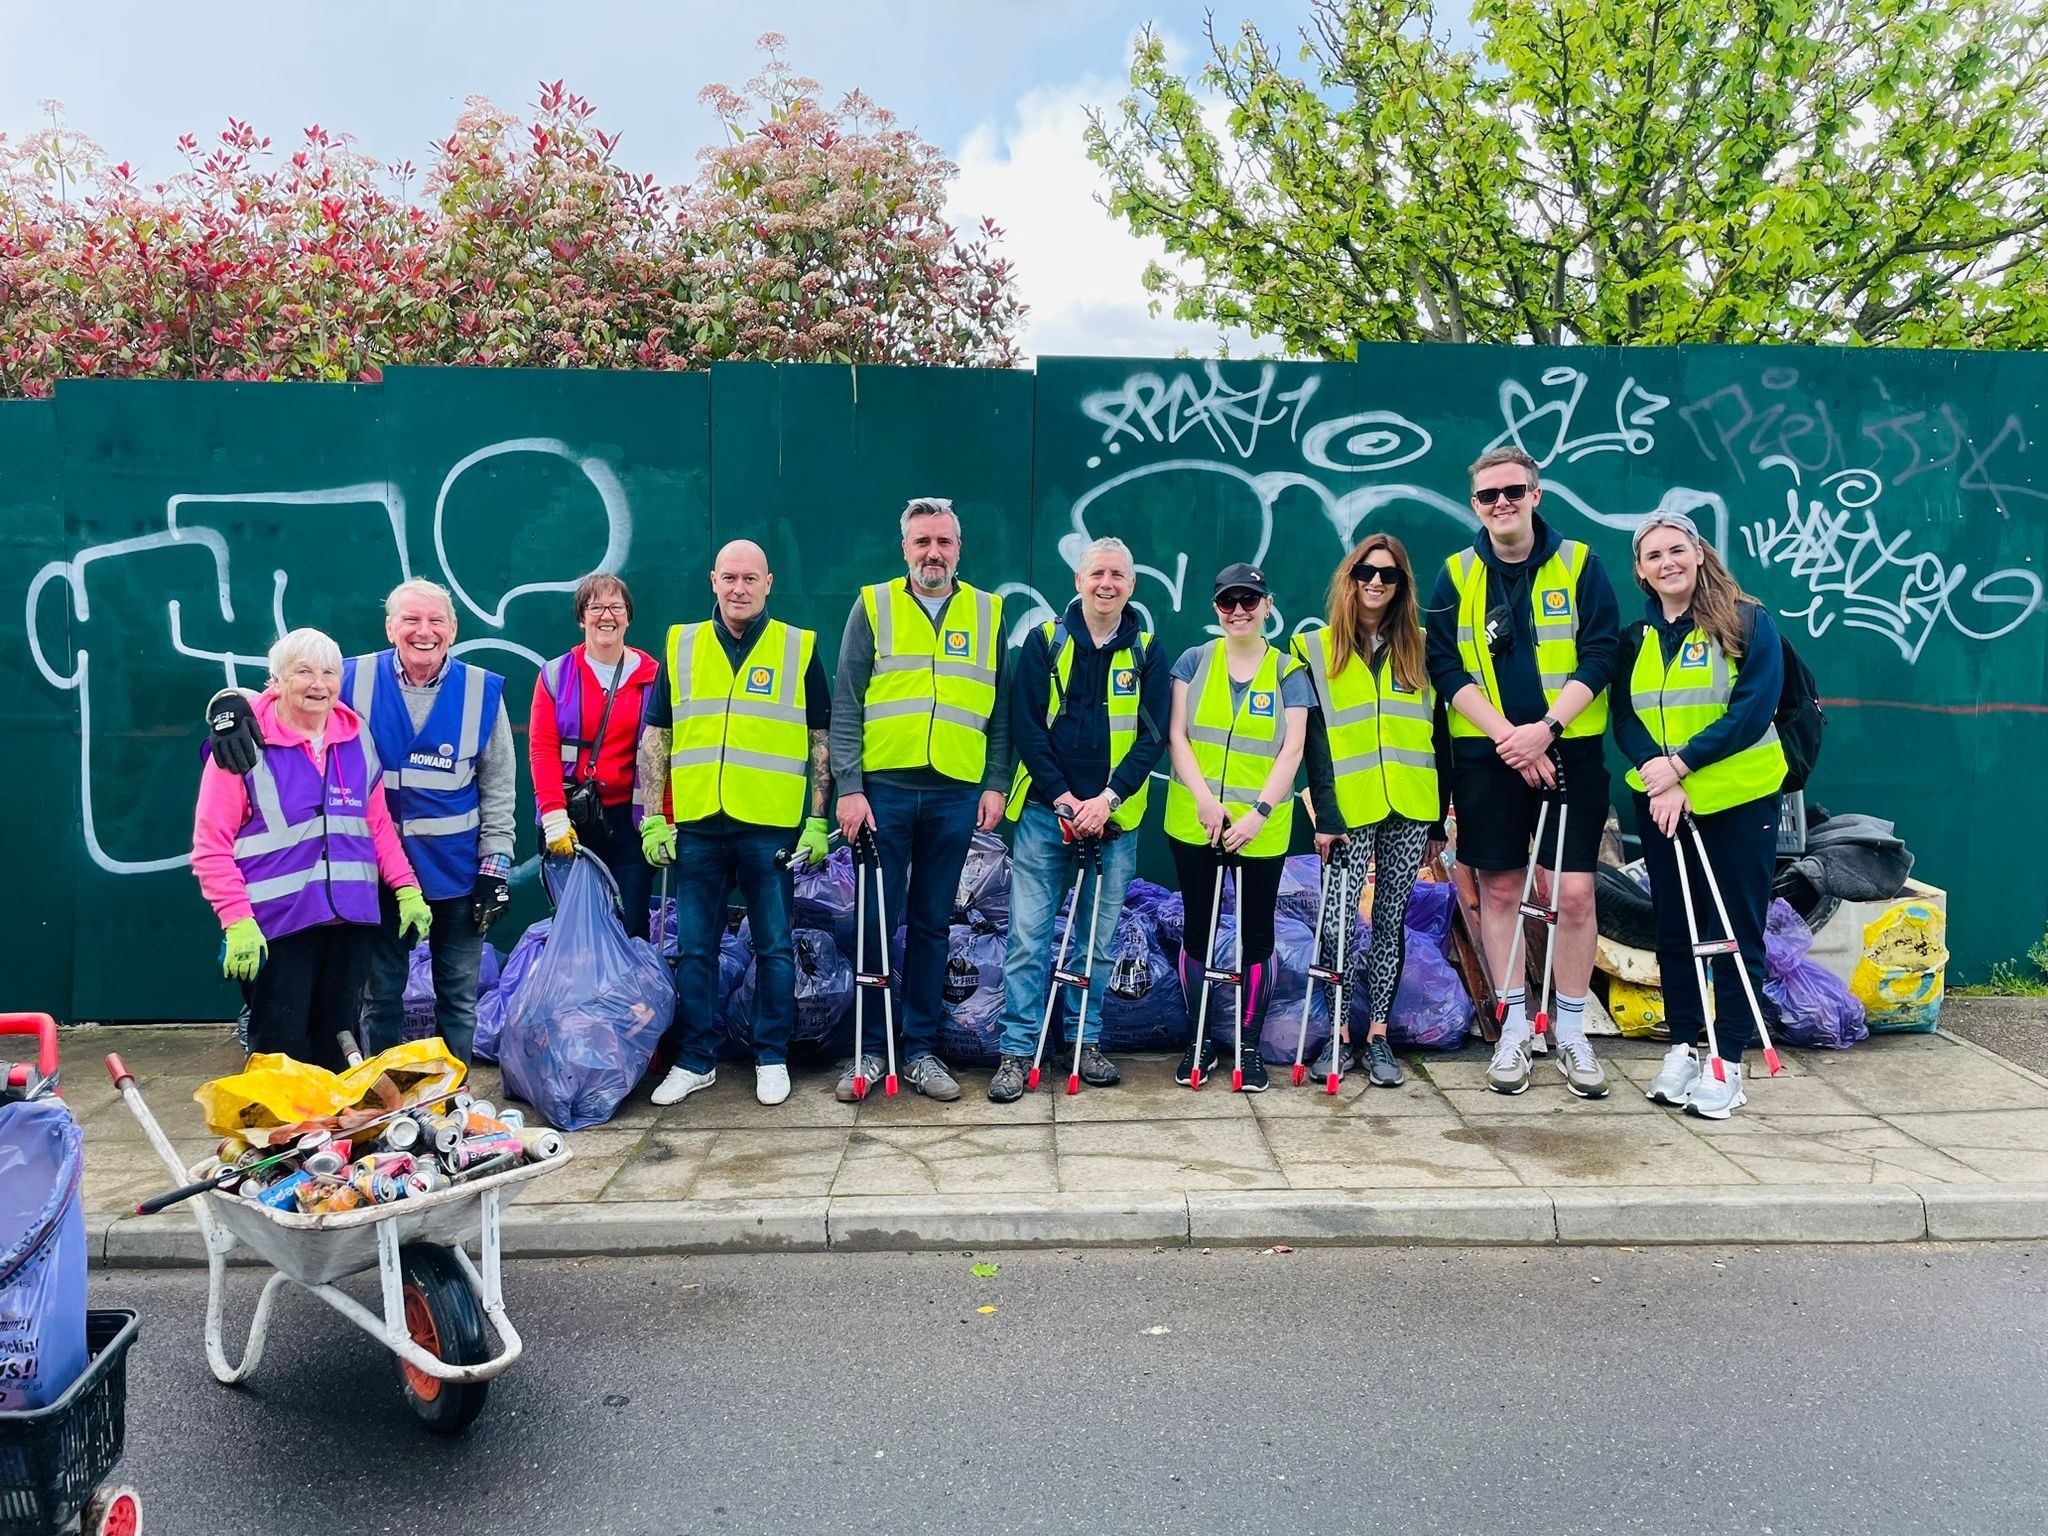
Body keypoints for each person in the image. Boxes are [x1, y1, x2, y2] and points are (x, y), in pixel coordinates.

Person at [206, 578, 516, 1066]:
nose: (424, 631)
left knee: (458, 1001)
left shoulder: (482, 691)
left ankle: (449, 1102)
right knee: (377, 1002)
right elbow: (283, 692)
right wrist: (226, 703)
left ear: (453, 629)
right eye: (411, 620)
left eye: (436, 620)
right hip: (369, 882)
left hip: (455, 877)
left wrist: (494, 870)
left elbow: (499, 789)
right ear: (390, 627)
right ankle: (381, 1101)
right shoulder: (349, 676)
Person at [1425, 446, 1620, 1098]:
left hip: (1571, 754)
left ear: (1536, 494)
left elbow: (1599, 655)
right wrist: (1510, 736)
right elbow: (1445, 668)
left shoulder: (1581, 565)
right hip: (1487, 758)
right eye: (1488, 496)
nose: (1501, 504)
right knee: (1501, 892)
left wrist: (1546, 731)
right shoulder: (1455, 575)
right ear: (1473, 504)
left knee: (1572, 896)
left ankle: (1569, 1032)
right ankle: (1514, 1028)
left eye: (1513, 491)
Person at [638, 540, 832, 1108]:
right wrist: (654, 819)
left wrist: (816, 822)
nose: (739, 587)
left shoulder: (798, 648)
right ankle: (695, 1060)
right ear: (713, 581)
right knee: (694, 948)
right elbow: (658, 735)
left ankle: (771, 1056)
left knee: (773, 947)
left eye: (750, 578)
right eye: (729, 577)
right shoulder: (683, 645)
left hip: (769, 826)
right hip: (698, 824)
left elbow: (820, 736)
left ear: (769, 582)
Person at [832, 497, 1011, 1103]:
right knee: (876, 923)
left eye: (944, 543)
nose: (933, 553)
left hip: (956, 793)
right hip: (884, 792)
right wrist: (850, 788)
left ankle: (919, 1051)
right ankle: (869, 1050)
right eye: (922, 543)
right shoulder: (874, 605)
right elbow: (847, 704)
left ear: (959, 549)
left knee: (934, 923)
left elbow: (1001, 708)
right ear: (905, 548)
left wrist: (995, 782)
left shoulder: (988, 612)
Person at [191, 629, 431, 1071]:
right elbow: (210, 845)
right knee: (281, 1053)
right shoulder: (242, 743)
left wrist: (406, 888)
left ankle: (332, 1140)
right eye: (303, 672)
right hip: (279, 925)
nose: (318, 684)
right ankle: (280, 1141)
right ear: (276, 681)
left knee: (339, 1047)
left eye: (328, 672)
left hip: (351, 919)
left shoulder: (356, 736)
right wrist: (237, 920)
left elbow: (376, 824)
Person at [1613, 512, 1787, 1120]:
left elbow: (1751, 710)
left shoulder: (1744, 620)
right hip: (1663, 803)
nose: (1668, 562)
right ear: (1641, 571)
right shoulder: (1635, 637)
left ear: (1698, 553)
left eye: (1677, 550)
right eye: (1654, 555)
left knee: (1735, 930)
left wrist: (1680, 766)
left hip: (1735, 799)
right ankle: (1685, 1047)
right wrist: (1658, 775)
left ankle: (1728, 1061)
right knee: (1676, 930)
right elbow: (1626, 719)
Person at [988, 537, 1170, 1102]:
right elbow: (1026, 729)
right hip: (1048, 815)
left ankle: (1084, 1042)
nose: (1106, 583)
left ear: (1131, 585)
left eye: (1117, 574)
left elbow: (1154, 736)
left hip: (1115, 820)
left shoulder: (1147, 648)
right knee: (1027, 938)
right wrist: (1065, 798)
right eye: (1097, 573)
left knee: (1097, 941)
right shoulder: (1044, 642)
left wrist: (1107, 799)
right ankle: (1017, 1052)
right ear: (1078, 580)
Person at [1295, 533, 1449, 1090]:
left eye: (1389, 574)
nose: (1377, 582)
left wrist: (1436, 821)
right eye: (1366, 572)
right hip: (1347, 811)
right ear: (1350, 578)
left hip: (1410, 806)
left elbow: (1440, 735)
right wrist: (1324, 814)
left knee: (1389, 922)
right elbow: (1310, 740)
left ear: (1402, 585)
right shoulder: (1314, 649)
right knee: (1336, 924)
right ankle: (1336, 1036)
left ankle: (1378, 1038)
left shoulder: (1424, 648)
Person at [1165, 562, 1311, 1092]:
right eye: (1229, 602)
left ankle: (1248, 1048)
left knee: (1256, 936)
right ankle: (1199, 1040)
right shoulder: (1192, 661)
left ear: (1267, 606)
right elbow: (1177, 737)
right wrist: (1205, 802)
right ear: (1216, 609)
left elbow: (1292, 748)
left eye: (1250, 601)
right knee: (1199, 930)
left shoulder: (1289, 671)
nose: (1239, 611)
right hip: (1195, 821)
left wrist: (1259, 814)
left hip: (1261, 827)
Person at [529, 573, 660, 938]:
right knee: (576, 929)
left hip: (631, 824)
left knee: (632, 923)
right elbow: (542, 749)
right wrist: (553, 816)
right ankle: (581, 997)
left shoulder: (653, 677)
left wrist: (661, 817)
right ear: (581, 617)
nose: (607, 615)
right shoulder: (556, 675)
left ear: (628, 617)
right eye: (596, 606)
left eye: (616, 606)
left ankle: (633, 996)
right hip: (571, 820)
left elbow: (665, 753)